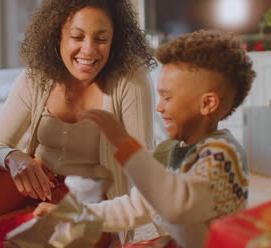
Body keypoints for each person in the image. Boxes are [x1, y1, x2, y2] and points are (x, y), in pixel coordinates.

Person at [35, 30, 256, 248]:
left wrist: (124, 144)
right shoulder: (169, 150)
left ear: (207, 104)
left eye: (168, 98)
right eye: (160, 96)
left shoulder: (223, 155)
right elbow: (136, 206)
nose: (159, 106)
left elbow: (176, 204)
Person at [0, 0, 155, 243]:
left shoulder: (130, 79)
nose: (89, 50)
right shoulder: (36, 77)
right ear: (57, 35)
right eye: (77, 36)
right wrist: (13, 157)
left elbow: (143, 170)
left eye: (101, 39)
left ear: (115, 40)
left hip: (92, 205)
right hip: (38, 193)